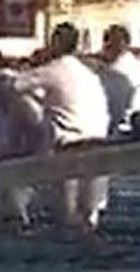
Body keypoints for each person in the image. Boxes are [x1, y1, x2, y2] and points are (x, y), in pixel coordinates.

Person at [11, 23, 111, 230]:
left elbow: (14, 85)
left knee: (67, 217)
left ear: (54, 43)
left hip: (70, 146)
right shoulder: (88, 73)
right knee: (89, 217)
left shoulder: (54, 70)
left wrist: (33, 63)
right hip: (100, 143)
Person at [99, 25, 140, 133]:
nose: (106, 46)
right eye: (105, 40)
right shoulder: (138, 67)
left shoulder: (121, 72)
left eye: (111, 43)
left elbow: (112, 111)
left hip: (131, 128)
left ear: (123, 44)